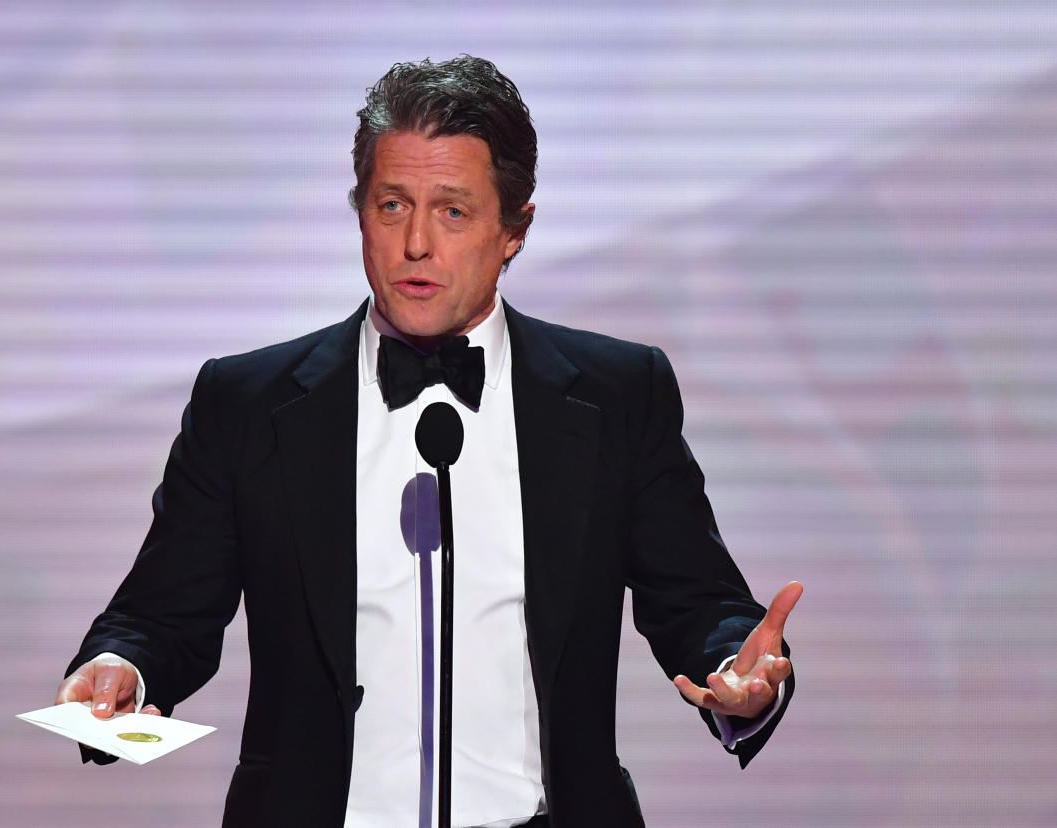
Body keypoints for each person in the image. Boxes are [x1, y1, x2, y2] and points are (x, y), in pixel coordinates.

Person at [56, 55, 802, 827]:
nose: (416, 243)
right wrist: (120, 668)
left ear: (514, 230)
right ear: (359, 213)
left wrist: (734, 664)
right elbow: (162, 612)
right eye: (391, 205)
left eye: (452, 211)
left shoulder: (616, 396)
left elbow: (694, 600)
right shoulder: (246, 404)